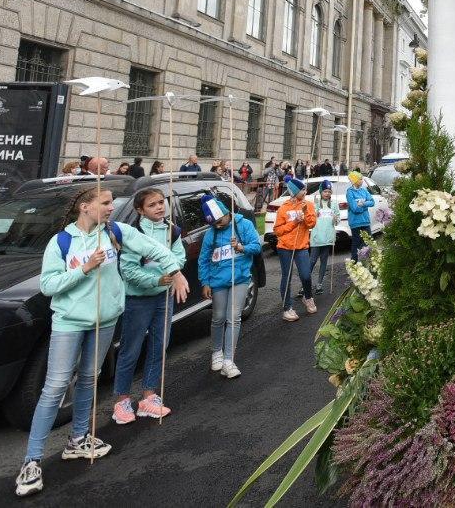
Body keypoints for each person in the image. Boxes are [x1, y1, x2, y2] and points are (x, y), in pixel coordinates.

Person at [14, 185, 187, 497]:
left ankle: (78, 440)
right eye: (105, 203)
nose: (111, 208)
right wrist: (85, 268)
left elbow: (155, 249)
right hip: (69, 323)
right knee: (54, 387)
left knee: (90, 380)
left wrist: (175, 271)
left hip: (105, 321)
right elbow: (49, 284)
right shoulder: (62, 241)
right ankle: (32, 460)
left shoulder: (115, 231)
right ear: (85, 206)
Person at [112, 188, 188, 425]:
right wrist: (155, 279)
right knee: (130, 349)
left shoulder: (171, 230)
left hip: (163, 298)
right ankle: (122, 400)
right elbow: (129, 270)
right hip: (138, 299)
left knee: (159, 346)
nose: (159, 207)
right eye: (152, 204)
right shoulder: (134, 233)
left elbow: (180, 257)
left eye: (161, 203)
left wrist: (167, 273)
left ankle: (149, 396)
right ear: (139, 210)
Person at [197, 194, 260, 378]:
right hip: (218, 281)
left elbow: (256, 246)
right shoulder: (211, 233)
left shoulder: (243, 225)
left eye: (220, 220)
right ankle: (216, 352)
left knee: (234, 317)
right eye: (213, 223)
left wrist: (241, 248)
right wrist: (205, 282)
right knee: (218, 317)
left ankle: (228, 360)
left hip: (239, 278)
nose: (218, 225)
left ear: (226, 213)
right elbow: (203, 259)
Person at [273, 176, 316, 321]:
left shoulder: (308, 204)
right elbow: (278, 231)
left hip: (301, 246)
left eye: (304, 189)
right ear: (294, 192)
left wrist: (305, 216)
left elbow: (312, 224)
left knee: (306, 275)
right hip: (285, 247)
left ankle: (308, 297)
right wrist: (294, 222)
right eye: (302, 189)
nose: (305, 191)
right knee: (287, 277)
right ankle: (287, 308)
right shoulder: (284, 208)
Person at [310, 181, 338, 294]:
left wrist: (336, 219)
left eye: (329, 192)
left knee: (324, 262)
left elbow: (337, 220)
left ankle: (319, 284)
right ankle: (305, 284)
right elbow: (311, 220)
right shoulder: (315, 203)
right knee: (311, 262)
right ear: (321, 191)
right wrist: (314, 212)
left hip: (327, 238)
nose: (327, 194)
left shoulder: (334, 204)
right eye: (325, 191)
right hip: (317, 238)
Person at [346, 171, 376, 264]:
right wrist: (364, 207)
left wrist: (363, 204)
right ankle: (354, 264)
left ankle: (369, 263)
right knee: (356, 244)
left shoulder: (364, 191)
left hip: (365, 221)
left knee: (368, 243)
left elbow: (372, 202)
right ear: (355, 181)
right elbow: (354, 208)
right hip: (355, 223)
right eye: (360, 179)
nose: (362, 180)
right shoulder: (350, 192)